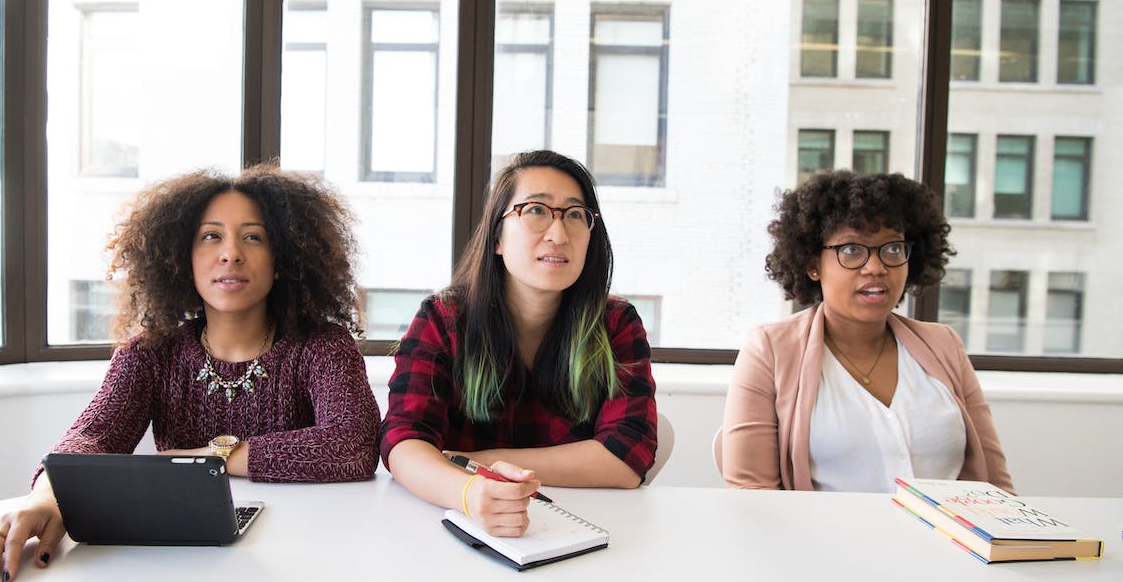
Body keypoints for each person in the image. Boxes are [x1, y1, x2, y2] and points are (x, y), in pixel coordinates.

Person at [0, 164, 381, 582]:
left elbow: (355, 444)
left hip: (305, 552)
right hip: (181, 559)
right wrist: (45, 499)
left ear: (283, 258)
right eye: (211, 236)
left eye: (253, 236)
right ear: (182, 257)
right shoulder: (151, 353)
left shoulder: (322, 345)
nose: (231, 252)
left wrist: (206, 457)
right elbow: (92, 436)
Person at [379, 150, 657, 537]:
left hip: (580, 532)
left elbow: (627, 457)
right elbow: (403, 442)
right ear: (497, 236)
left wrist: (480, 462)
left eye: (576, 215)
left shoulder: (614, 323)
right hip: (455, 527)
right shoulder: (442, 318)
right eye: (535, 210)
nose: (558, 234)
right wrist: (470, 492)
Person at [720, 170, 1013, 493]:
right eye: (851, 250)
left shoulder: (944, 345)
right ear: (813, 263)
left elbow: (996, 489)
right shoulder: (769, 350)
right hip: (820, 542)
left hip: (944, 543)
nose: (876, 267)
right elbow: (751, 497)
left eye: (892, 248)